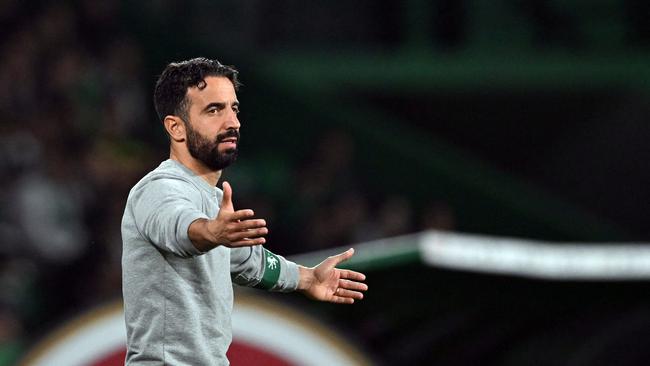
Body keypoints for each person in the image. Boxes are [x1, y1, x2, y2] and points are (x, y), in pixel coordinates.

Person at [121, 57, 368, 365]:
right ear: (176, 127)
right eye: (214, 110)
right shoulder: (159, 188)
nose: (232, 123)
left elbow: (251, 261)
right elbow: (178, 228)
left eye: (233, 109)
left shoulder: (211, 199)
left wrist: (307, 279)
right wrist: (211, 232)